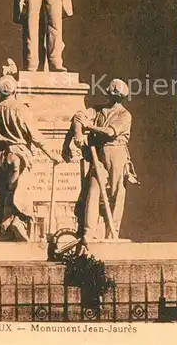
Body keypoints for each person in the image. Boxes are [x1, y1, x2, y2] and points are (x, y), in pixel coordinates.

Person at [0, 70, 63, 241]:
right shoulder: (20, 109)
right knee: (20, 191)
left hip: (2, 155)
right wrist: (52, 154)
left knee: (8, 190)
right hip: (20, 155)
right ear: (15, 90)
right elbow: (35, 135)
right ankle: (18, 222)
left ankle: (6, 225)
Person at [72, 79, 137, 249]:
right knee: (93, 190)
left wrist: (90, 127)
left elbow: (110, 132)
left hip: (117, 154)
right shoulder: (98, 110)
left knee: (116, 194)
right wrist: (78, 133)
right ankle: (88, 231)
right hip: (100, 155)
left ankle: (112, 231)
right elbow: (79, 116)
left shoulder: (124, 115)